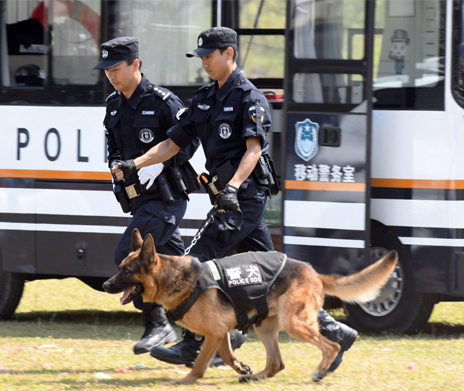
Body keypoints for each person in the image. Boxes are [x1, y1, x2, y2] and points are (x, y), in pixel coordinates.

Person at [113, 27, 358, 373]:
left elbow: (253, 150)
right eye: (201, 59)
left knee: (193, 264)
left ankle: (197, 344)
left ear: (229, 54)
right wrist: (134, 163)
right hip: (229, 199)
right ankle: (336, 333)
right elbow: (172, 144)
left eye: (209, 57)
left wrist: (232, 188)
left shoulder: (249, 98)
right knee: (276, 275)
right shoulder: (203, 98)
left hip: (244, 197)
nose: (204, 65)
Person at [94, 37, 200, 355]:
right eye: (106, 70)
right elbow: (113, 143)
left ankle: (157, 323)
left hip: (167, 197)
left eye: (116, 68)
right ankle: (203, 330)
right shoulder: (114, 104)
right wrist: (115, 164)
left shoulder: (163, 101)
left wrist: (162, 161)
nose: (110, 75)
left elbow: (190, 142)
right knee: (182, 271)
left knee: (128, 255)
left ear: (135, 65)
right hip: (139, 198)